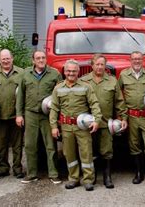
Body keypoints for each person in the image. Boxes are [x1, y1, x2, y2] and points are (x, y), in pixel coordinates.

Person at [49, 60, 103, 191]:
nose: (71, 73)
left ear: (78, 72)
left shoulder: (86, 86)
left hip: (82, 127)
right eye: (68, 71)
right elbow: (54, 108)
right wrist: (54, 126)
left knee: (86, 153)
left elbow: (94, 104)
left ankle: (88, 179)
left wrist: (96, 120)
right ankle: (73, 178)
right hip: (66, 127)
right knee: (69, 154)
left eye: (74, 71)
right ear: (64, 72)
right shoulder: (58, 88)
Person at [80, 54, 127, 189]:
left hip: (106, 122)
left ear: (105, 66)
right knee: (90, 150)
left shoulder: (112, 81)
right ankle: (91, 177)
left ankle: (107, 177)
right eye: (97, 64)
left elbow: (119, 100)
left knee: (107, 150)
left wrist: (123, 117)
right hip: (88, 123)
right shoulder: (83, 80)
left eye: (102, 64)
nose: (100, 67)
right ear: (92, 65)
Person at [16, 50, 62, 184]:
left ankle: (54, 174)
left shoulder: (54, 74)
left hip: (47, 115)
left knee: (50, 145)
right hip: (30, 113)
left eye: (43, 58)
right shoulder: (25, 74)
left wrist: (57, 117)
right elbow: (20, 96)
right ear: (33, 61)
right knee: (30, 145)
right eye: (38, 58)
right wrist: (19, 114)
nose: (41, 60)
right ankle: (31, 174)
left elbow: (59, 95)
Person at [118, 51, 145, 184]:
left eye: (139, 59)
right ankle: (139, 173)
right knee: (134, 145)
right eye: (134, 59)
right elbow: (118, 95)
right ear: (130, 60)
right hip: (131, 116)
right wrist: (122, 115)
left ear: (142, 60)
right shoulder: (124, 75)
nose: (136, 61)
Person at [0, 49, 25, 179]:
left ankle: (18, 168)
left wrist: (22, 113)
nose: (6, 61)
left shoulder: (22, 73)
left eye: (8, 58)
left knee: (17, 144)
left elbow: (25, 93)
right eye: (3, 59)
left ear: (12, 59)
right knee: (1, 144)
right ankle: (3, 168)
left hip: (16, 116)